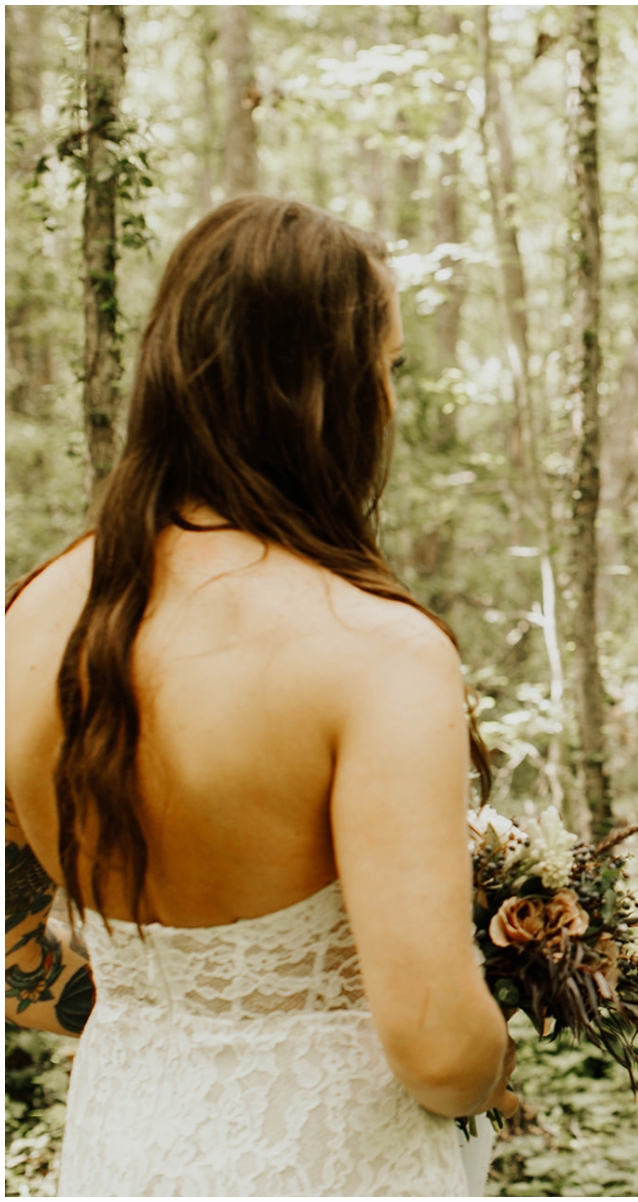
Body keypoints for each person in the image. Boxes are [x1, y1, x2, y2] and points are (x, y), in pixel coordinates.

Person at [5, 195, 517, 1196]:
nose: (394, 401)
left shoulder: (34, 616)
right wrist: (503, 1056)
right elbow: (439, 1050)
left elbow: (11, 947)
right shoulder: (375, 650)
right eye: (390, 368)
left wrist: (173, 1020)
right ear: (325, 389)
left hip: (119, 1150)